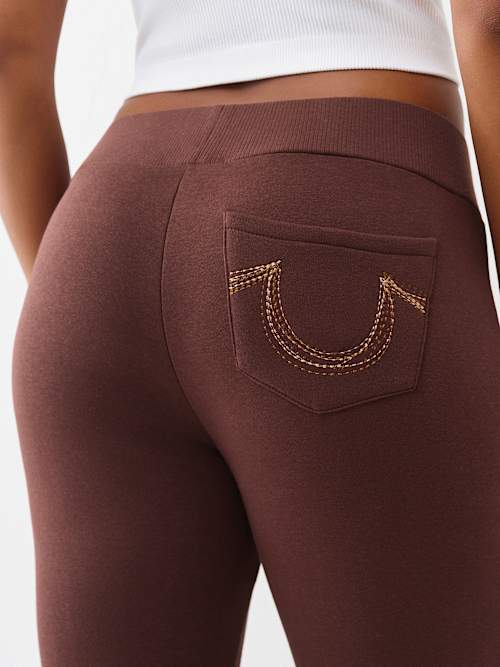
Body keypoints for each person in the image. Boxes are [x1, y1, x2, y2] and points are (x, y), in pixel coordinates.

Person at [1, 1, 500, 665]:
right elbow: (489, 21)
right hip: (348, 205)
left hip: (98, 239)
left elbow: (7, 51)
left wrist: (77, 302)